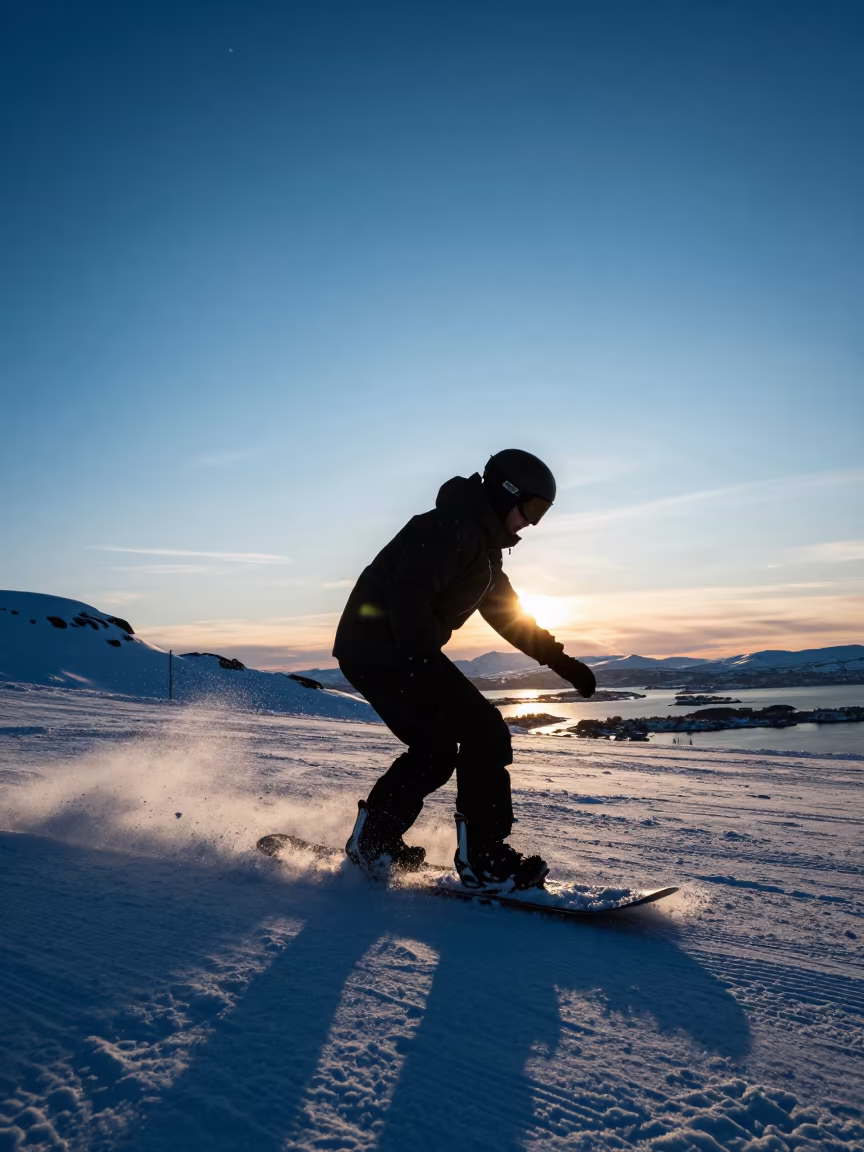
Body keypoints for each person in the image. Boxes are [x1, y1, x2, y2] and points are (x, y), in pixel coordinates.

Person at [332, 449, 596, 891]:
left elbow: (510, 617)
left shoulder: (484, 550)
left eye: (541, 514)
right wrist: (419, 661)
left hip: (397, 650)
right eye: (531, 509)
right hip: (383, 648)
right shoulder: (449, 528)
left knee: (436, 749)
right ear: (504, 492)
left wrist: (562, 662)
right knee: (485, 732)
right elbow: (407, 593)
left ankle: (375, 842)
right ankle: (486, 859)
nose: (531, 523)